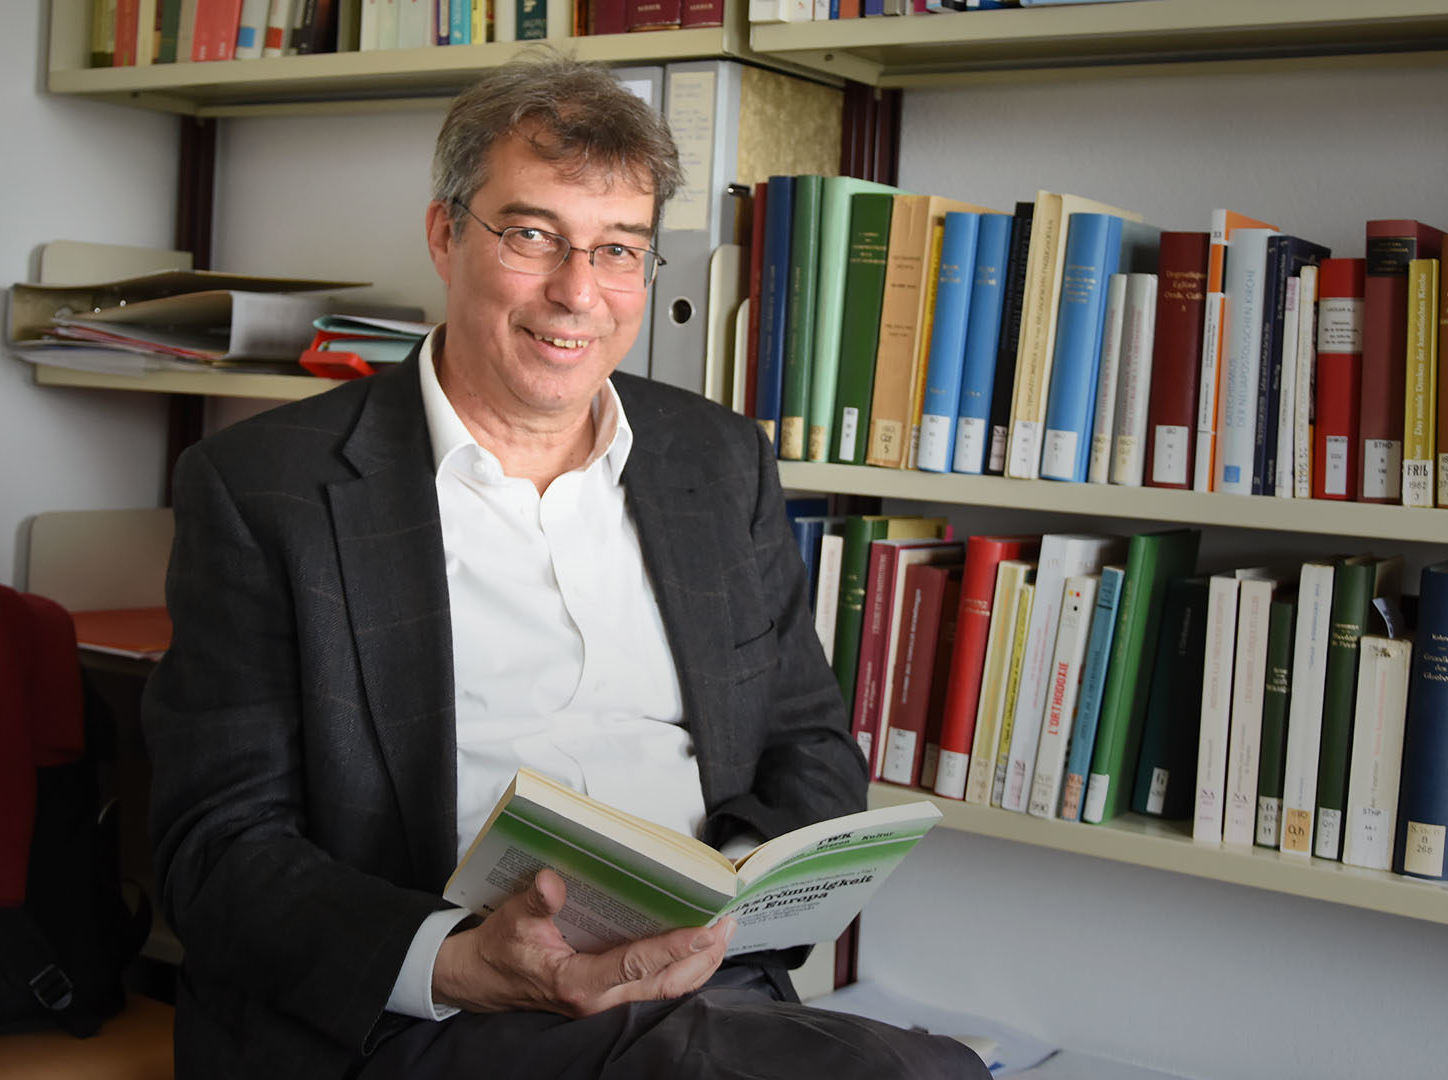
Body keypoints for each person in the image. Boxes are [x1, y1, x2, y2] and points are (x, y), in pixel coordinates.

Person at [143, 51, 989, 1080]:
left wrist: (726, 908)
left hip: (698, 987)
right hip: (422, 1018)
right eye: (534, 235)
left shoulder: (719, 463)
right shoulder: (263, 489)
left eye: (619, 248)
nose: (579, 292)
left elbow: (807, 745)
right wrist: (456, 962)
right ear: (446, 234)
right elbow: (215, 849)